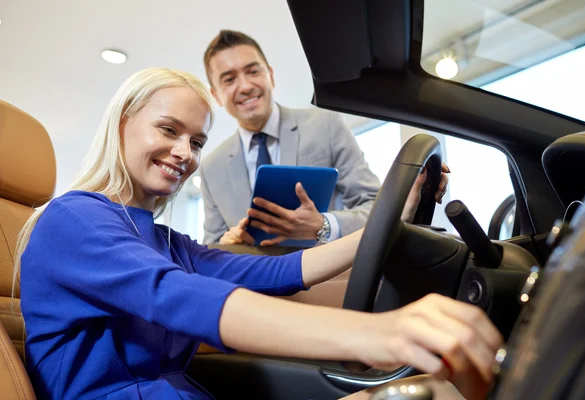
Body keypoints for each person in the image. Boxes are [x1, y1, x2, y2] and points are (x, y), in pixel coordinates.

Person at [16, 67, 500, 400]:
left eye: (197, 141)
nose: (184, 152)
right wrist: (377, 334)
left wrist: (391, 222)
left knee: (432, 393)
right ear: (122, 124)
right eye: (168, 130)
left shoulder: (166, 242)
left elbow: (280, 270)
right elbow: (177, 296)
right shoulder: (72, 219)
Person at [200, 30, 449, 246]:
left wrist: (324, 225)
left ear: (271, 75)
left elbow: (374, 203)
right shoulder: (211, 167)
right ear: (217, 95)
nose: (245, 86)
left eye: (253, 71)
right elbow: (211, 247)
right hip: (254, 291)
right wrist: (228, 245)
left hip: (328, 281)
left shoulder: (326, 125)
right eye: (229, 79)